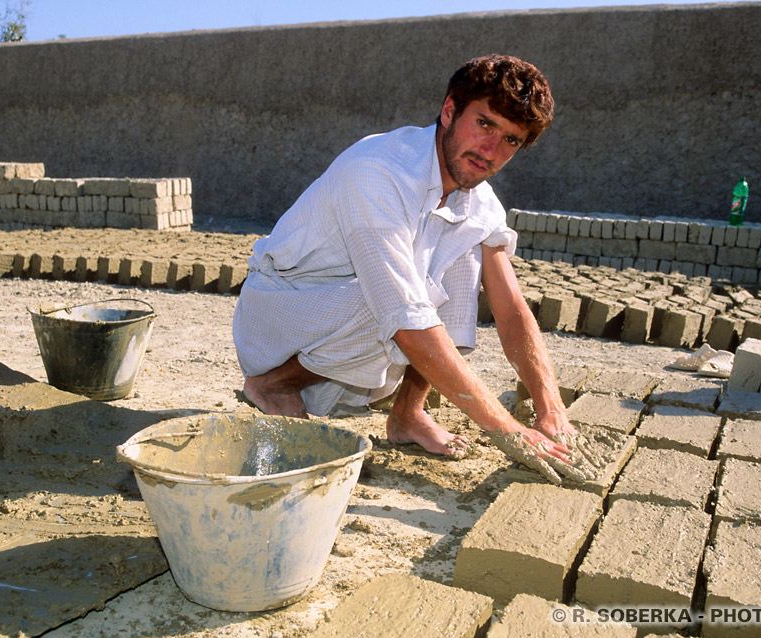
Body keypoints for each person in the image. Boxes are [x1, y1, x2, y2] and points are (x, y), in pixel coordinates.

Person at [233, 54, 590, 484]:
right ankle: (273, 384)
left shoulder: (477, 201)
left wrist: (551, 409)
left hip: (342, 323)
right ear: (450, 110)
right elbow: (406, 321)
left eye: (511, 140)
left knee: (464, 253)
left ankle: (408, 413)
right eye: (485, 124)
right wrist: (508, 430)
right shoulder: (377, 172)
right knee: (395, 299)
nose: (491, 150)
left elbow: (511, 307)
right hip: (280, 315)